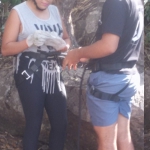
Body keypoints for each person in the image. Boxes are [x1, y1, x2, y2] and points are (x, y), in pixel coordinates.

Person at [63, 0, 143, 150]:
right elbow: (122, 43)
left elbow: (108, 46)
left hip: (109, 81)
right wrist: (91, 55)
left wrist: (77, 52)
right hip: (128, 77)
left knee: (107, 143)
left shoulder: (116, 2)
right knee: (123, 137)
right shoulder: (136, 2)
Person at [1, 0, 71, 150]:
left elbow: (67, 38)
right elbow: (6, 49)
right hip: (30, 71)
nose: (47, 1)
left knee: (61, 123)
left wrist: (62, 45)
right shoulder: (18, 12)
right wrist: (29, 41)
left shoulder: (54, 11)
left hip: (53, 70)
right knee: (34, 122)